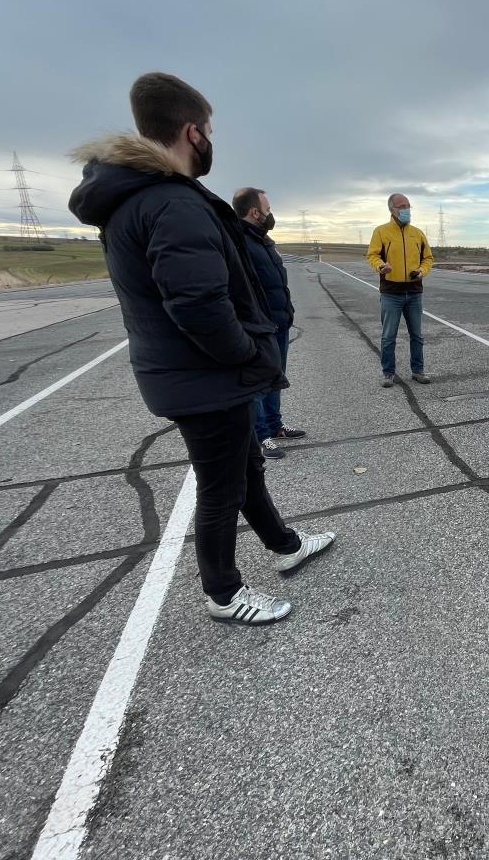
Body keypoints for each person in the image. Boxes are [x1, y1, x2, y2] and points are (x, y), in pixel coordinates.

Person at [69, 72, 335, 626]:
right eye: (209, 130)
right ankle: (222, 592)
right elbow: (196, 303)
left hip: (190, 372)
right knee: (219, 487)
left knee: (246, 468)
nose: (211, 140)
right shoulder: (171, 201)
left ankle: (285, 546)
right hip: (204, 375)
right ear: (192, 132)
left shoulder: (136, 199)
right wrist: (246, 353)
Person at [233, 187, 305, 460]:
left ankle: (275, 426)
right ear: (254, 212)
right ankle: (261, 435)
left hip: (278, 322)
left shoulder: (262, 240)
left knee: (276, 377)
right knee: (260, 383)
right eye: (267, 209)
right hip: (259, 327)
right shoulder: (240, 242)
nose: (269, 214)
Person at [366, 193, 435, 387]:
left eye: (408, 206)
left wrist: (422, 271)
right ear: (391, 209)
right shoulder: (381, 232)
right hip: (391, 293)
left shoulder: (417, 233)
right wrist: (381, 266)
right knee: (388, 336)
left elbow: (428, 258)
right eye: (401, 206)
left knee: (417, 335)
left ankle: (418, 371)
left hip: (414, 292)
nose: (406, 209)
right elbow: (372, 255)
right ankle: (388, 373)